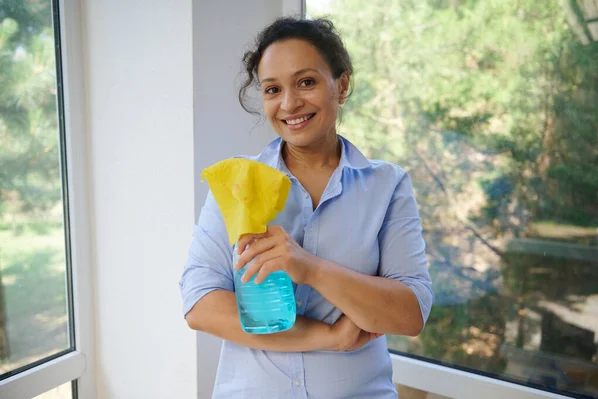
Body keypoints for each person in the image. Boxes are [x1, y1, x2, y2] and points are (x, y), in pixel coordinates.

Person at [179, 17, 434, 399]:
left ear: (342, 85)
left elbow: (409, 313)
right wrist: (329, 337)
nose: (289, 103)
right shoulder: (236, 183)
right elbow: (200, 304)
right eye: (272, 89)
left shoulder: (387, 186)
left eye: (306, 82)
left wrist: (309, 268)